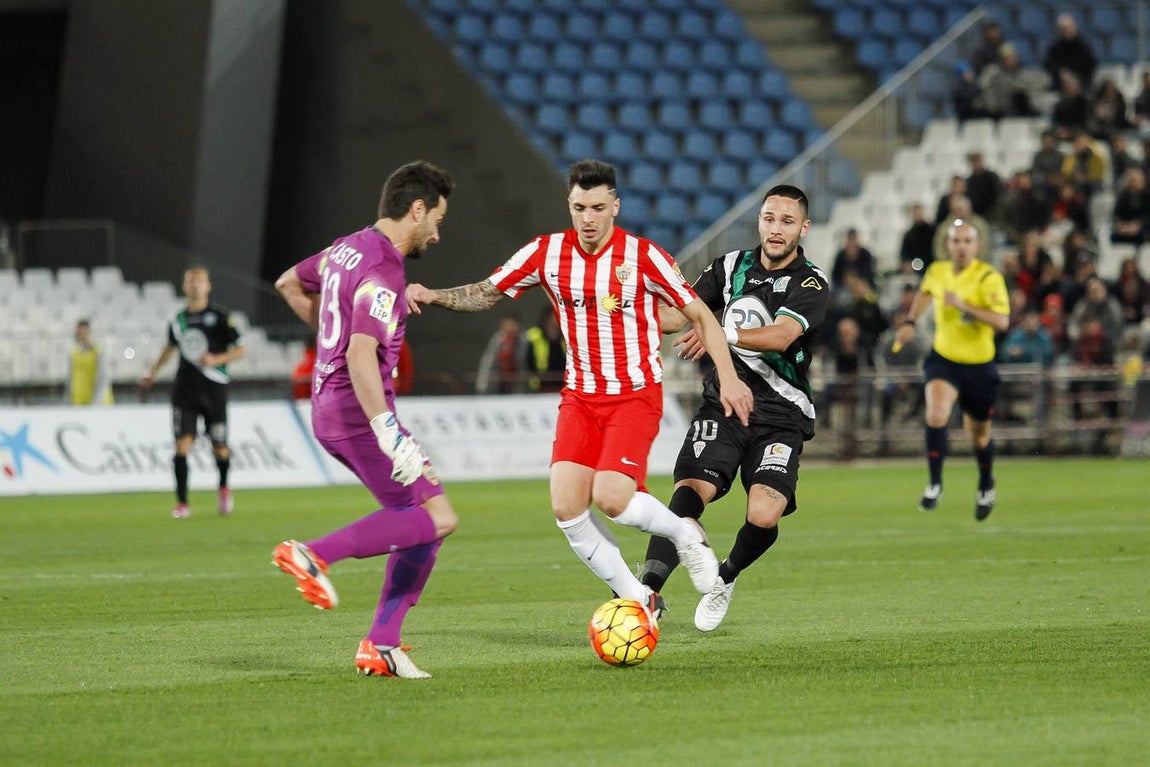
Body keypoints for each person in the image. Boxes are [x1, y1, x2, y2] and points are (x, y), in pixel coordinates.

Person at [405, 158, 754, 619]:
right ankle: (640, 598)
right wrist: (435, 295)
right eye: (578, 207)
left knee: (611, 498)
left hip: (634, 393)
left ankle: (686, 535)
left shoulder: (644, 256)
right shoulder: (546, 253)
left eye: (596, 207)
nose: (587, 218)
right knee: (567, 508)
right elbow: (489, 291)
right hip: (580, 398)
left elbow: (699, 314)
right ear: (569, 205)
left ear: (615, 206)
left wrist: (728, 378)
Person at [271, 160, 458, 679]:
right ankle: (313, 555)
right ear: (415, 210)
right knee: (437, 519)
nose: (437, 235)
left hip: (328, 404)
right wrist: (387, 431)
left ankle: (382, 645)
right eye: (436, 220)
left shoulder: (345, 248)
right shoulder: (384, 267)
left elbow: (289, 283)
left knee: (428, 519)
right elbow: (360, 354)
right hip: (359, 411)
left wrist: (329, 342)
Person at [633, 184, 831, 631]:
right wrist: (625, 305)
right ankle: (646, 592)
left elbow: (780, 336)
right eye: (769, 218)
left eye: (786, 221)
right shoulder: (728, 267)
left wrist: (717, 330)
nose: (776, 229)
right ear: (758, 220)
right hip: (723, 403)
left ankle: (724, 577)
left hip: (781, 415)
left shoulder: (811, 282)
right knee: (687, 494)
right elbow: (675, 317)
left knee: (763, 515)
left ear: (804, 227)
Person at [892, 219, 1010, 521]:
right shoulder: (938, 271)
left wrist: (965, 307)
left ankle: (986, 483)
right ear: (948, 245)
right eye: (956, 241)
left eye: (967, 241)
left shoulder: (988, 277)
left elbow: (1002, 322)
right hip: (944, 358)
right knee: (936, 414)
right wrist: (909, 322)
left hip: (979, 365)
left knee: (979, 436)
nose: (961, 247)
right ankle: (934, 483)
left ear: (977, 246)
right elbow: (926, 293)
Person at [140, 266, 245, 519]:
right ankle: (182, 503)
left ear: (208, 286)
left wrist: (216, 358)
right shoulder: (179, 320)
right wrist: (152, 371)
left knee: (219, 446)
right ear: (184, 287)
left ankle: (223, 488)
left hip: (214, 389)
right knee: (182, 445)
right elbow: (170, 347)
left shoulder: (220, 317)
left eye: (200, 281)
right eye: (191, 281)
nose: (195, 285)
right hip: (185, 390)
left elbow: (240, 349)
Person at [1042, 14, 1097, 93]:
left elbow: (1091, 65)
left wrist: (1075, 77)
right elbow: (1048, 64)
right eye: (1063, 29)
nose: (1067, 31)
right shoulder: (1054, 47)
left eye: (1069, 27)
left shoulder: (1084, 47)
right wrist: (1060, 71)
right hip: (1059, 85)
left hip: (1081, 83)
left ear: (1075, 27)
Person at [65, 318, 113, 405]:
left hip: (98, 403)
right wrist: (69, 400)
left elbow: (104, 378)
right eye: (79, 333)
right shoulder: (74, 353)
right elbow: (70, 379)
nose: (82, 335)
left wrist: (96, 402)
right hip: (78, 403)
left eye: (84, 332)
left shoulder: (99, 352)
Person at [475, 313, 527, 394]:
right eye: (506, 324)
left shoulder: (523, 340)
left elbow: (524, 362)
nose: (509, 327)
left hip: (516, 380)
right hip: (498, 380)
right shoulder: (497, 340)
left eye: (511, 324)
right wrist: (483, 382)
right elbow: (488, 361)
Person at [524, 307, 566, 392]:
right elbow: (528, 358)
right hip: (541, 383)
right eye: (553, 317)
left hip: (564, 383)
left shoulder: (565, 334)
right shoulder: (535, 334)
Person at [898, 203, 935, 273]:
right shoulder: (909, 234)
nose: (917, 215)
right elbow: (904, 254)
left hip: (931, 266)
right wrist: (906, 263)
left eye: (919, 212)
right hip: (915, 269)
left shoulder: (932, 230)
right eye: (915, 213)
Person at [290, 335, 317, 400]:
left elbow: (296, 378)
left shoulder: (304, 360)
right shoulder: (311, 358)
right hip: (310, 396)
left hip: (304, 398)